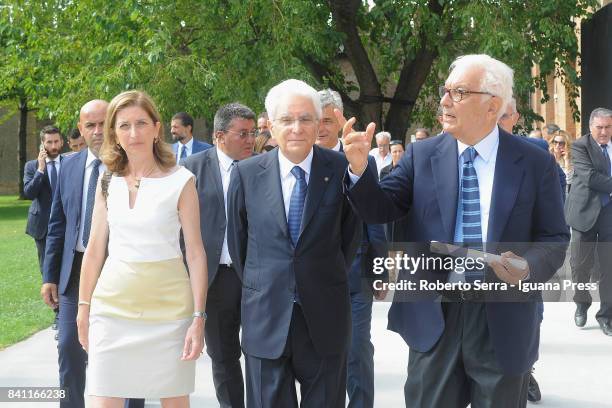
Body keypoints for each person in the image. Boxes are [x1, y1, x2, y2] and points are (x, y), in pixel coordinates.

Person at [343, 54, 569, 407]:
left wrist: (527, 267)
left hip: (503, 321)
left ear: (493, 106)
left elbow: (554, 238)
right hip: (435, 317)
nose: (444, 102)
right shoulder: (422, 156)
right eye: (445, 91)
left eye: (459, 92)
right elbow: (379, 208)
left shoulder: (534, 162)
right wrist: (359, 169)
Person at [227, 79, 360, 408]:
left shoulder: (342, 170)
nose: (297, 128)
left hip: (324, 316)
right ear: (270, 126)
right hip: (266, 316)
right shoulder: (245, 175)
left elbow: (350, 239)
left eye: (305, 119)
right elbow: (240, 244)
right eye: (287, 120)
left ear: (319, 124)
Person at [73, 91, 207, 407]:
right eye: (124, 126)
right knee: (102, 398)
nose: (134, 134)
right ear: (114, 134)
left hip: (170, 312)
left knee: (174, 400)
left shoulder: (182, 180)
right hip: (112, 309)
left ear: (157, 128)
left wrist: (198, 317)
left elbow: (196, 252)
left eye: (141, 123)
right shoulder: (107, 180)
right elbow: (94, 249)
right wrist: (83, 307)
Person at [42, 101, 144, 408]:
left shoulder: (133, 166)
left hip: (122, 272)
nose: (97, 131)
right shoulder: (70, 166)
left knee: (126, 352)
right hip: (75, 273)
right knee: (70, 350)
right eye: (90, 125)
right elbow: (57, 223)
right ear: (81, 129)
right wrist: (49, 276)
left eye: (103, 124)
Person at [182, 102, 256, 408]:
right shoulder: (190, 170)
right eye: (243, 134)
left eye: (253, 133)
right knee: (223, 357)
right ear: (219, 136)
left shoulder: (265, 166)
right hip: (214, 278)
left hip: (255, 277)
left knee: (262, 354)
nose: (251, 140)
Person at [317, 88, 387, 408]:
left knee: (357, 348)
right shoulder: (300, 158)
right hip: (313, 275)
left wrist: (380, 268)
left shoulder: (360, 157)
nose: (320, 127)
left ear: (341, 118)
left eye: (327, 120)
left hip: (355, 273)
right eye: (313, 119)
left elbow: (375, 217)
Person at [565, 107, 612, 336]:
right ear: (591, 127)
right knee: (580, 266)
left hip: (609, 214)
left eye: (608, 127)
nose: (604, 132)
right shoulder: (580, 146)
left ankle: (606, 316)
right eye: (599, 127)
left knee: (608, 266)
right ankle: (581, 304)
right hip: (584, 212)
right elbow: (590, 177)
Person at [24, 125, 64, 274]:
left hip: (65, 223)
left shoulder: (69, 164)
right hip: (42, 225)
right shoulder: (31, 166)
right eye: (49, 142)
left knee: (67, 267)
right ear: (42, 144)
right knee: (47, 268)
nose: (53, 146)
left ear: (61, 142)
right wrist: (40, 170)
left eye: (56, 141)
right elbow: (29, 193)